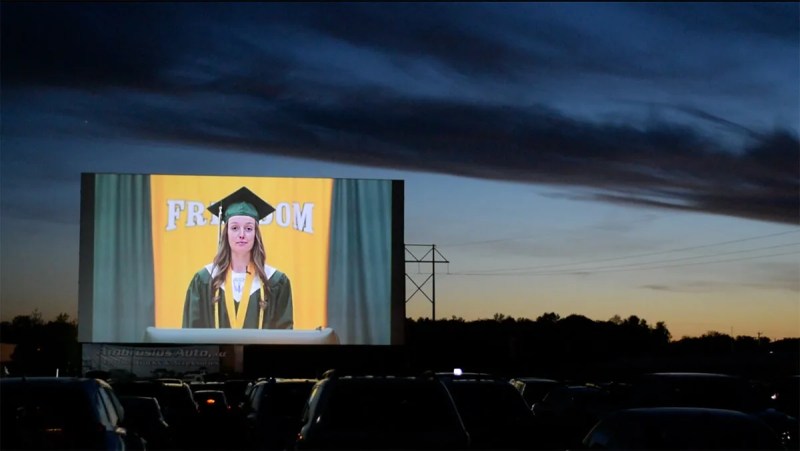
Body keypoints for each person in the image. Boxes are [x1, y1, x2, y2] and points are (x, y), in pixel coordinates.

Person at [182, 186, 293, 329]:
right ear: (226, 233)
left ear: (256, 234)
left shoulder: (276, 282)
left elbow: (284, 339)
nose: (242, 234)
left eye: (248, 228)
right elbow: (191, 336)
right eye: (234, 228)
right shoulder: (203, 280)